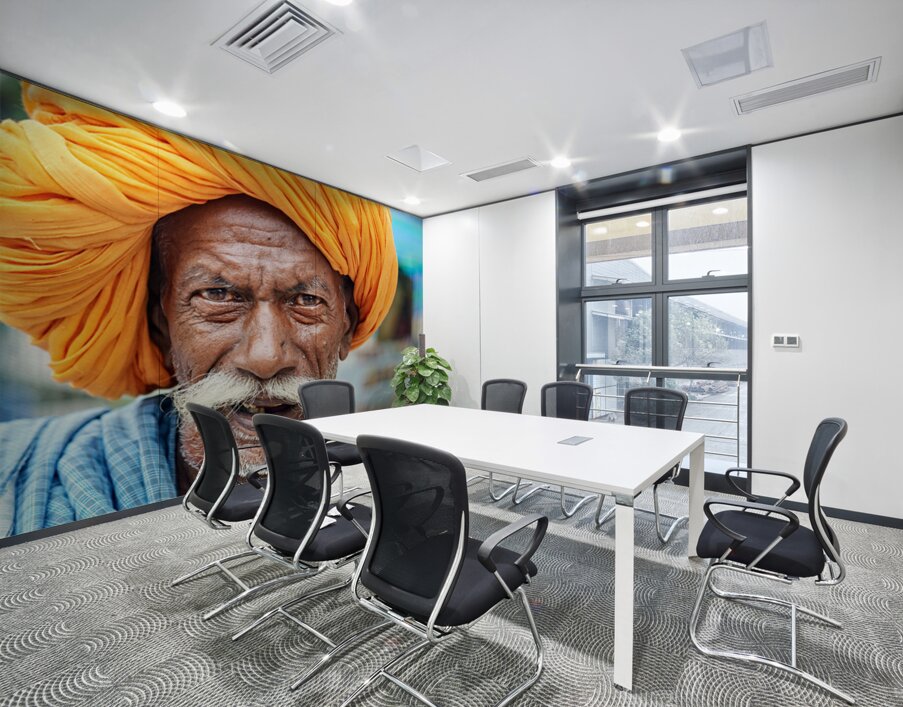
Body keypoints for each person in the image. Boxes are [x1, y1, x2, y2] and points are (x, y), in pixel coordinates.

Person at [0, 84, 398, 536]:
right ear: (161, 323)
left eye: (306, 301)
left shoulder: (368, 476)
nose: (266, 357)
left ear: (346, 331)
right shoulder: (14, 474)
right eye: (219, 295)